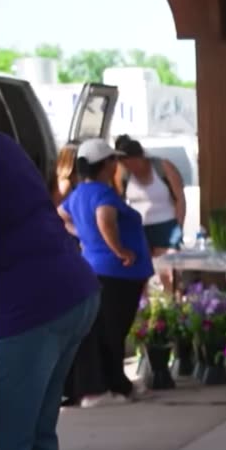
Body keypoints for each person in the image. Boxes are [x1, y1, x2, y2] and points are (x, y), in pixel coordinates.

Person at [0, 132, 101, 450]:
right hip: (72, 293)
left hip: (24, 307)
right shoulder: (2, 143)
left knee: (4, 444)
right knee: (36, 433)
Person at [58, 138, 155, 407]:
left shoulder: (77, 194)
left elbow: (60, 216)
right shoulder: (103, 194)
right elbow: (105, 219)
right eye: (113, 160)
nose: (117, 164)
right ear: (105, 165)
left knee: (105, 330)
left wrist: (84, 235)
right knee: (111, 331)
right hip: (116, 273)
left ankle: (115, 384)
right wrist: (119, 249)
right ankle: (98, 389)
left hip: (98, 269)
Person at [113, 135, 187, 254]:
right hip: (138, 229)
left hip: (167, 226)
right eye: (127, 166)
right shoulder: (123, 174)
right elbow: (118, 203)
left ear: (141, 157)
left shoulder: (163, 167)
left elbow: (180, 199)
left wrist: (178, 227)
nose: (132, 169)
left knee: (168, 267)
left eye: (134, 164)